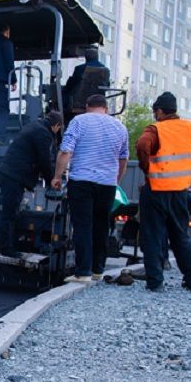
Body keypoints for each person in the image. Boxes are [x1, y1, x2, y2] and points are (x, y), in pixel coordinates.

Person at [51, 94, 128, 283]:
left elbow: (65, 151)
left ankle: (83, 272)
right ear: (106, 108)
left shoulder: (79, 121)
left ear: (87, 107)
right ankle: (97, 269)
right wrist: (115, 179)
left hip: (82, 181)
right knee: (102, 225)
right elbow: (123, 158)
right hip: (108, 184)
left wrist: (57, 176)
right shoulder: (120, 127)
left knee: (83, 225)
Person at [135, 91, 191, 292]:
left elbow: (141, 145)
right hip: (181, 191)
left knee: (153, 236)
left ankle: (155, 282)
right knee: (181, 236)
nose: (154, 115)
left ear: (160, 111)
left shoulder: (155, 129)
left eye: (155, 112)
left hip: (156, 190)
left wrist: (147, 168)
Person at [0, 111, 63, 257]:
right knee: (11, 214)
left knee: (8, 211)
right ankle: (7, 249)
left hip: (8, 174)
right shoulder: (44, 134)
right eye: (59, 128)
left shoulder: (34, 126)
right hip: (14, 176)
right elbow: (44, 160)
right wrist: (51, 181)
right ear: (56, 126)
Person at [62, 47, 108, 114]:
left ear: (86, 57)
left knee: (64, 92)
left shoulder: (80, 68)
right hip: (99, 102)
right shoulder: (105, 70)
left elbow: (71, 85)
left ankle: (63, 112)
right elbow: (106, 86)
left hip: (80, 102)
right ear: (97, 57)